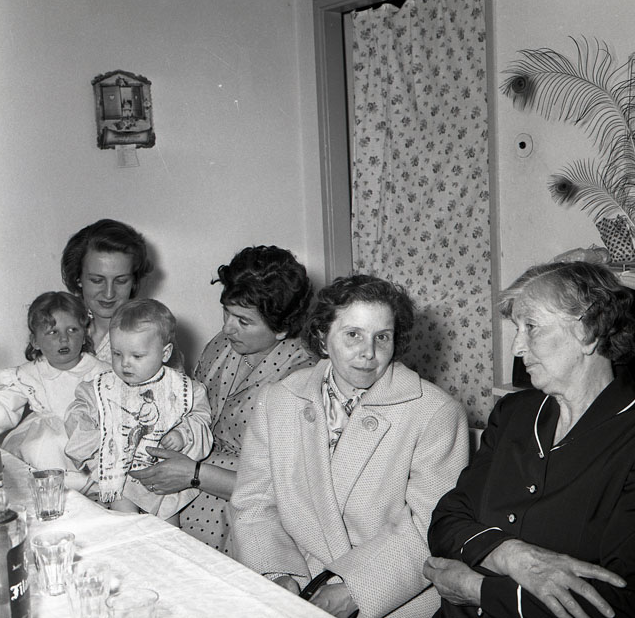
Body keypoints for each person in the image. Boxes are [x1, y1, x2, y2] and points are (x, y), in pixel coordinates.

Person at [229, 274, 470, 618]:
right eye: (353, 334)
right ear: (322, 336)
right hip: (296, 580)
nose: (369, 353)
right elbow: (254, 504)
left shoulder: (435, 412)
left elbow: (430, 526)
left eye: (382, 337)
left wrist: (355, 591)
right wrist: (276, 575)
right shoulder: (279, 399)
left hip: (389, 595)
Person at [425, 261, 635, 618]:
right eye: (516, 328)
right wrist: (511, 555)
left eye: (532, 327)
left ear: (588, 331)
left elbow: (619, 603)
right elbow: (446, 520)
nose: (517, 347)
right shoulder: (514, 414)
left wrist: (477, 589)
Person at [129, 245, 315, 553]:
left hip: (245, 513)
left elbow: (289, 489)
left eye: (243, 321)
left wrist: (194, 475)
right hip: (185, 483)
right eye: (227, 312)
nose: (228, 327)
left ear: (282, 329)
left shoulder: (303, 379)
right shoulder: (225, 344)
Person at [64, 299, 213, 524]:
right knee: (126, 520)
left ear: (165, 353)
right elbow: (78, 414)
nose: (125, 363)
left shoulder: (183, 389)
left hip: (165, 478)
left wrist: (183, 433)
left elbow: (200, 417)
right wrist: (97, 438)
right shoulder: (104, 387)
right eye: (117, 354)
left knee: (168, 529)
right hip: (121, 475)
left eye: (137, 356)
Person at [0, 292, 109, 490]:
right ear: (35, 341)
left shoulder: (102, 373)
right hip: (44, 446)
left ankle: (88, 491)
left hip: (86, 440)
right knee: (39, 448)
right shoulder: (29, 374)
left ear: (84, 335)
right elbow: (3, 406)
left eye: (72, 330)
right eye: (52, 332)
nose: (64, 338)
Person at [61, 218, 153, 363]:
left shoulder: (153, 332)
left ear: (134, 280)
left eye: (121, 281)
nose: (109, 293)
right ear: (78, 278)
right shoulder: (60, 327)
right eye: (97, 280)